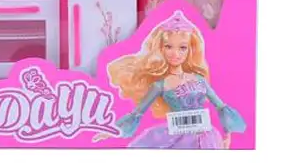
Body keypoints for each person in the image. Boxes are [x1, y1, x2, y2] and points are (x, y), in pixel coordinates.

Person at [94, 11, 245, 149]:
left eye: (182, 48)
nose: (175, 54)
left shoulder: (199, 79)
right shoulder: (160, 85)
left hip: (206, 136)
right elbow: (137, 113)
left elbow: (221, 106)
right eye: (169, 47)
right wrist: (113, 131)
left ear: (190, 49)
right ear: (161, 49)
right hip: (178, 135)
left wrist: (228, 134)